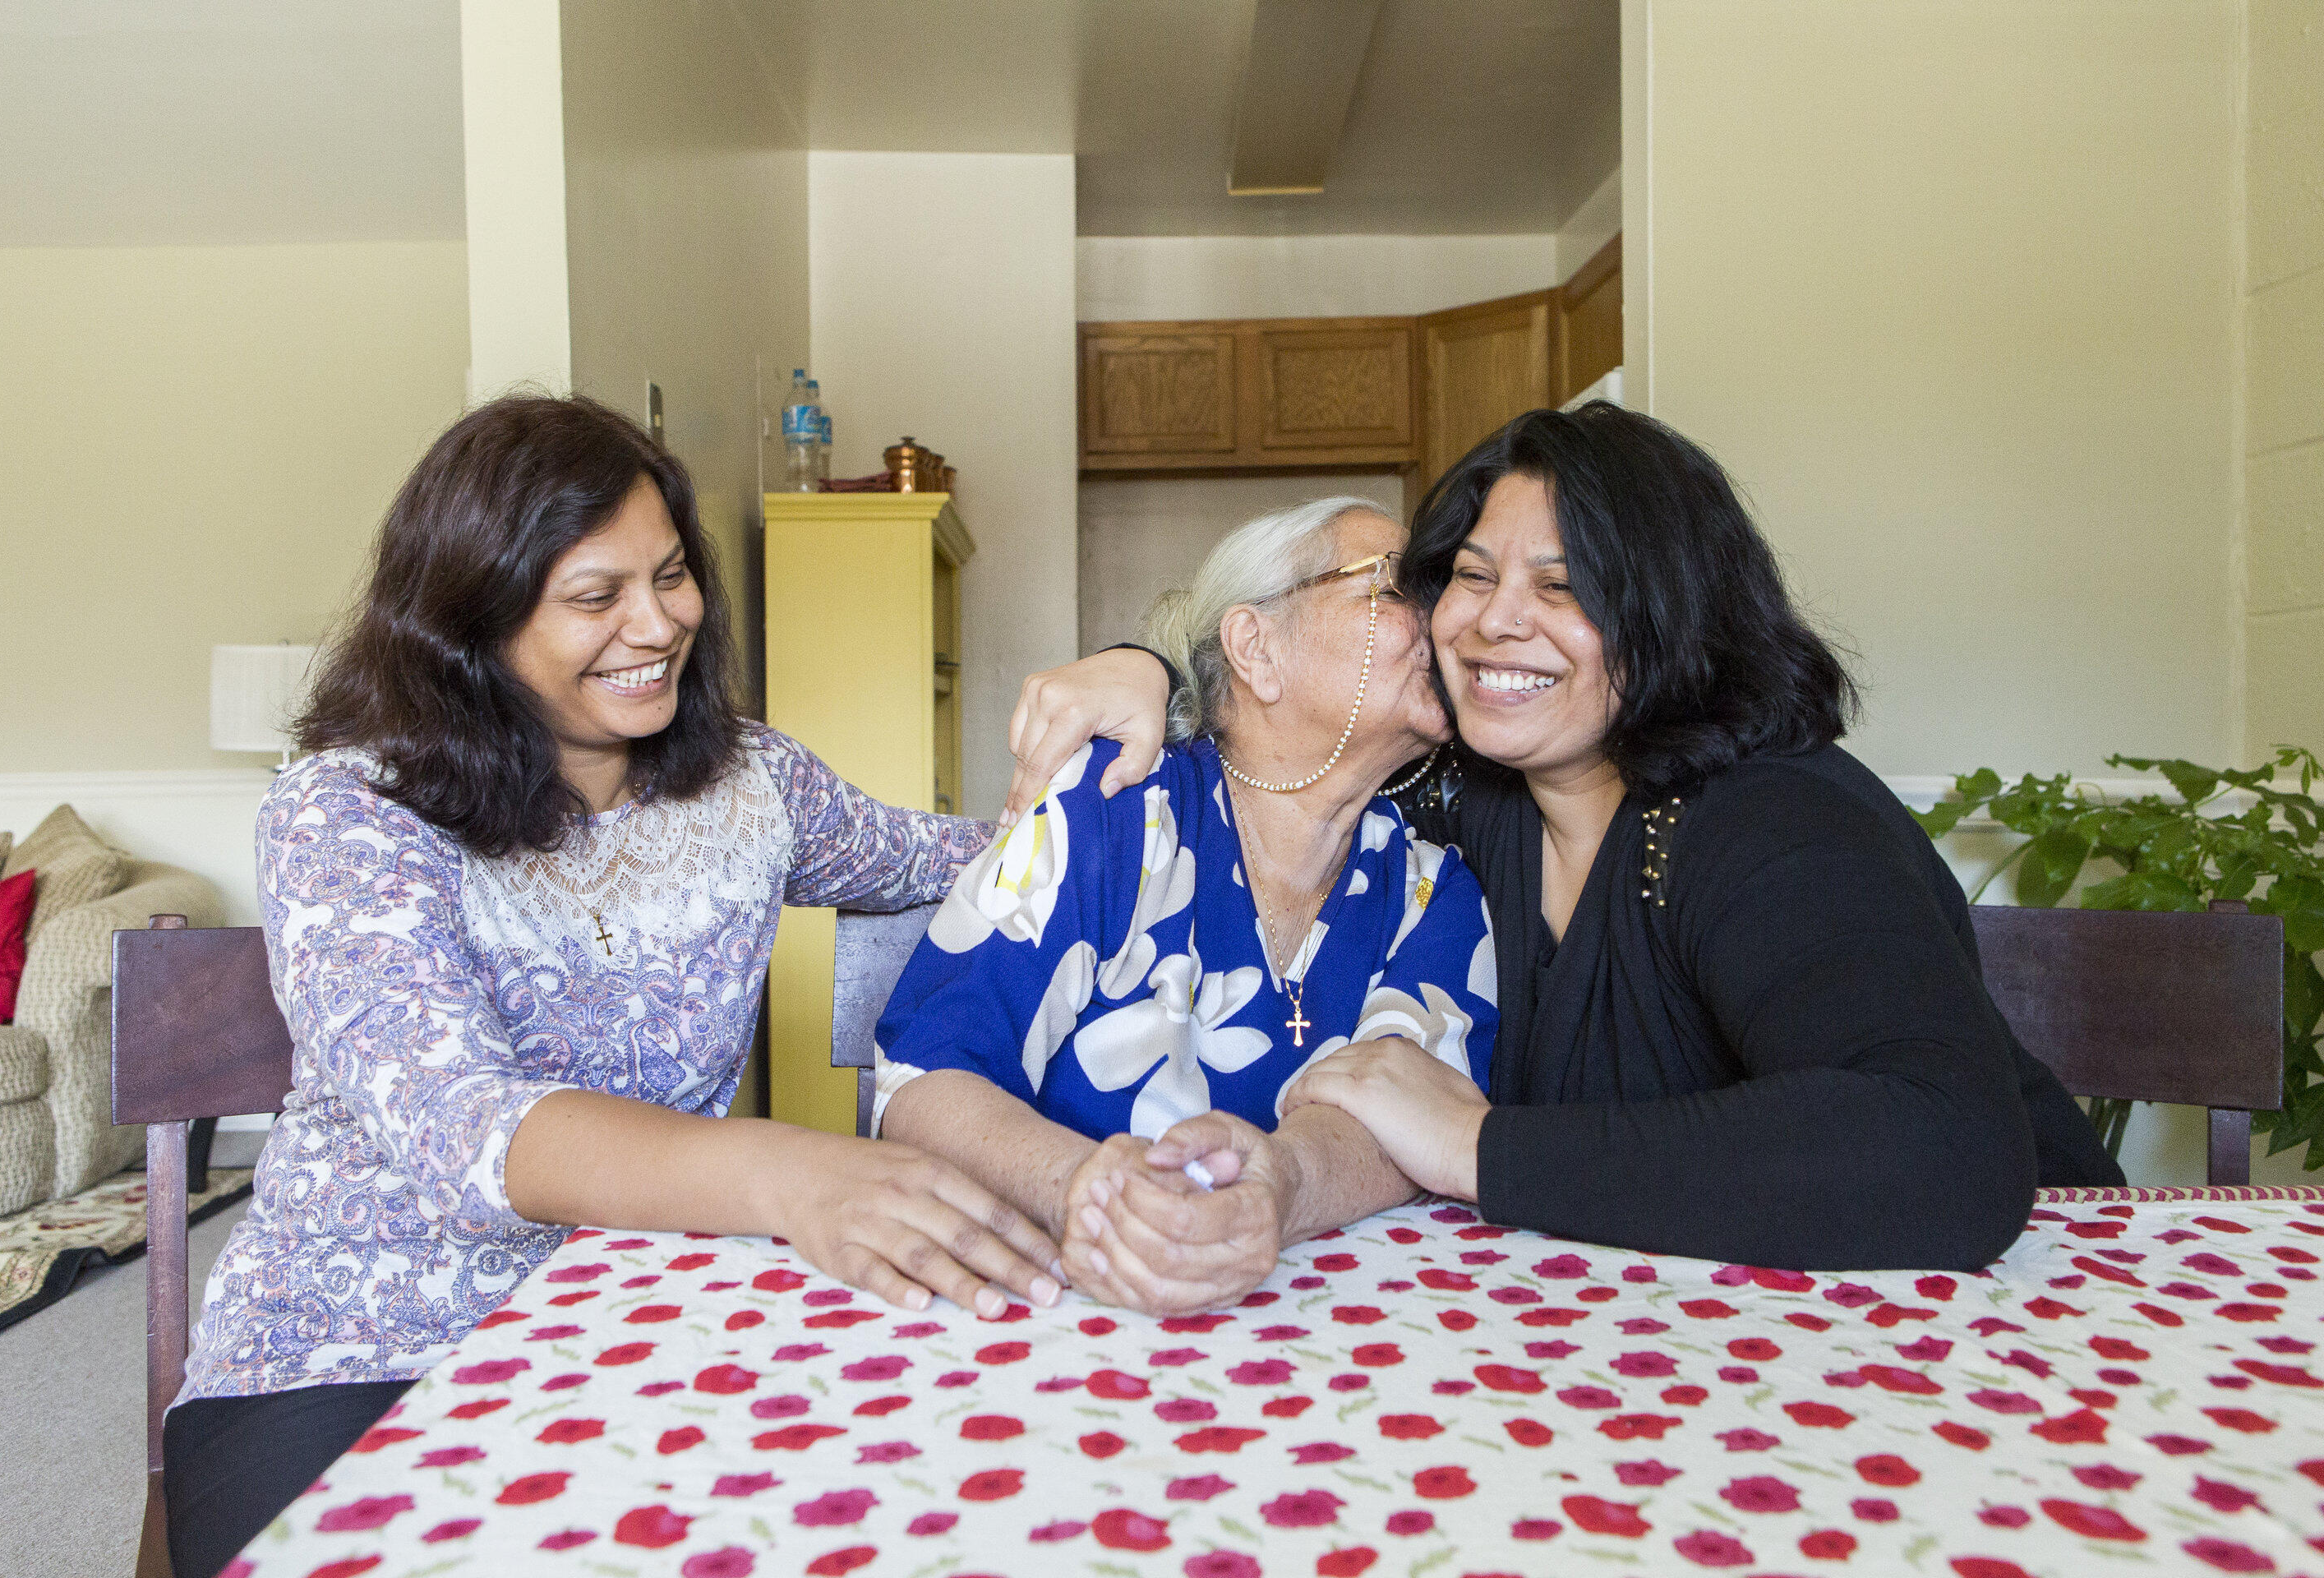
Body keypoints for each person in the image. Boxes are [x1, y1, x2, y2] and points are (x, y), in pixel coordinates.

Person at [164, 396, 1063, 1578]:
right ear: (471, 619)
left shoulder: (754, 787)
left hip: (654, 1316)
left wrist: (1134, 697)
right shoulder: (349, 810)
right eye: (597, 596)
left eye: (674, 575)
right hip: (351, 1356)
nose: (661, 623)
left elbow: (983, 861)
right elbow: (460, 1121)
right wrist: (793, 1168)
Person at [999, 404, 2123, 1276]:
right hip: (1677, 1342)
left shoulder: (1772, 818)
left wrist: (1476, 1149)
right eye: (1471, 578)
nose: (1494, 621)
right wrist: (1145, 666)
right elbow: (1281, 744)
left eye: (1565, 586)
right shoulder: (1473, 803)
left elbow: (1945, 1153)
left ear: (1672, 612)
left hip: (2036, 1323)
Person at [878, 498, 1497, 1317]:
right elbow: (924, 1080)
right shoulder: (1112, 810)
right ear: (1257, 648)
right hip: (1053, 1311)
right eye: (1392, 586)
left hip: (1321, 1342)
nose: (1444, 617)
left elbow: (1426, 1123)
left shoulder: (1431, 889)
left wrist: (1282, 1186)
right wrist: (1087, 1194)